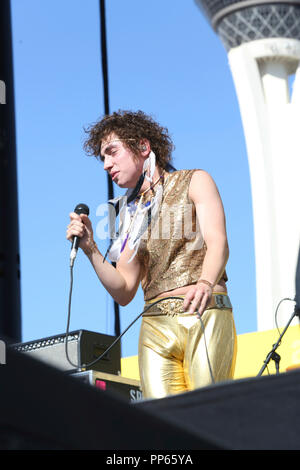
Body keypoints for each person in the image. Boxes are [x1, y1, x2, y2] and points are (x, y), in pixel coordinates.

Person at [66, 110, 237, 399]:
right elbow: (124, 291)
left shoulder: (195, 181)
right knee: (162, 425)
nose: (107, 164)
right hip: (154, 327)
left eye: (112, 152)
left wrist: (206, 283)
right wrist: (91, 249)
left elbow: (218, 242)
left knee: (208, 415)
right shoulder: (126, 216)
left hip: (203, 313)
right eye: (102, 158)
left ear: (143, 147)